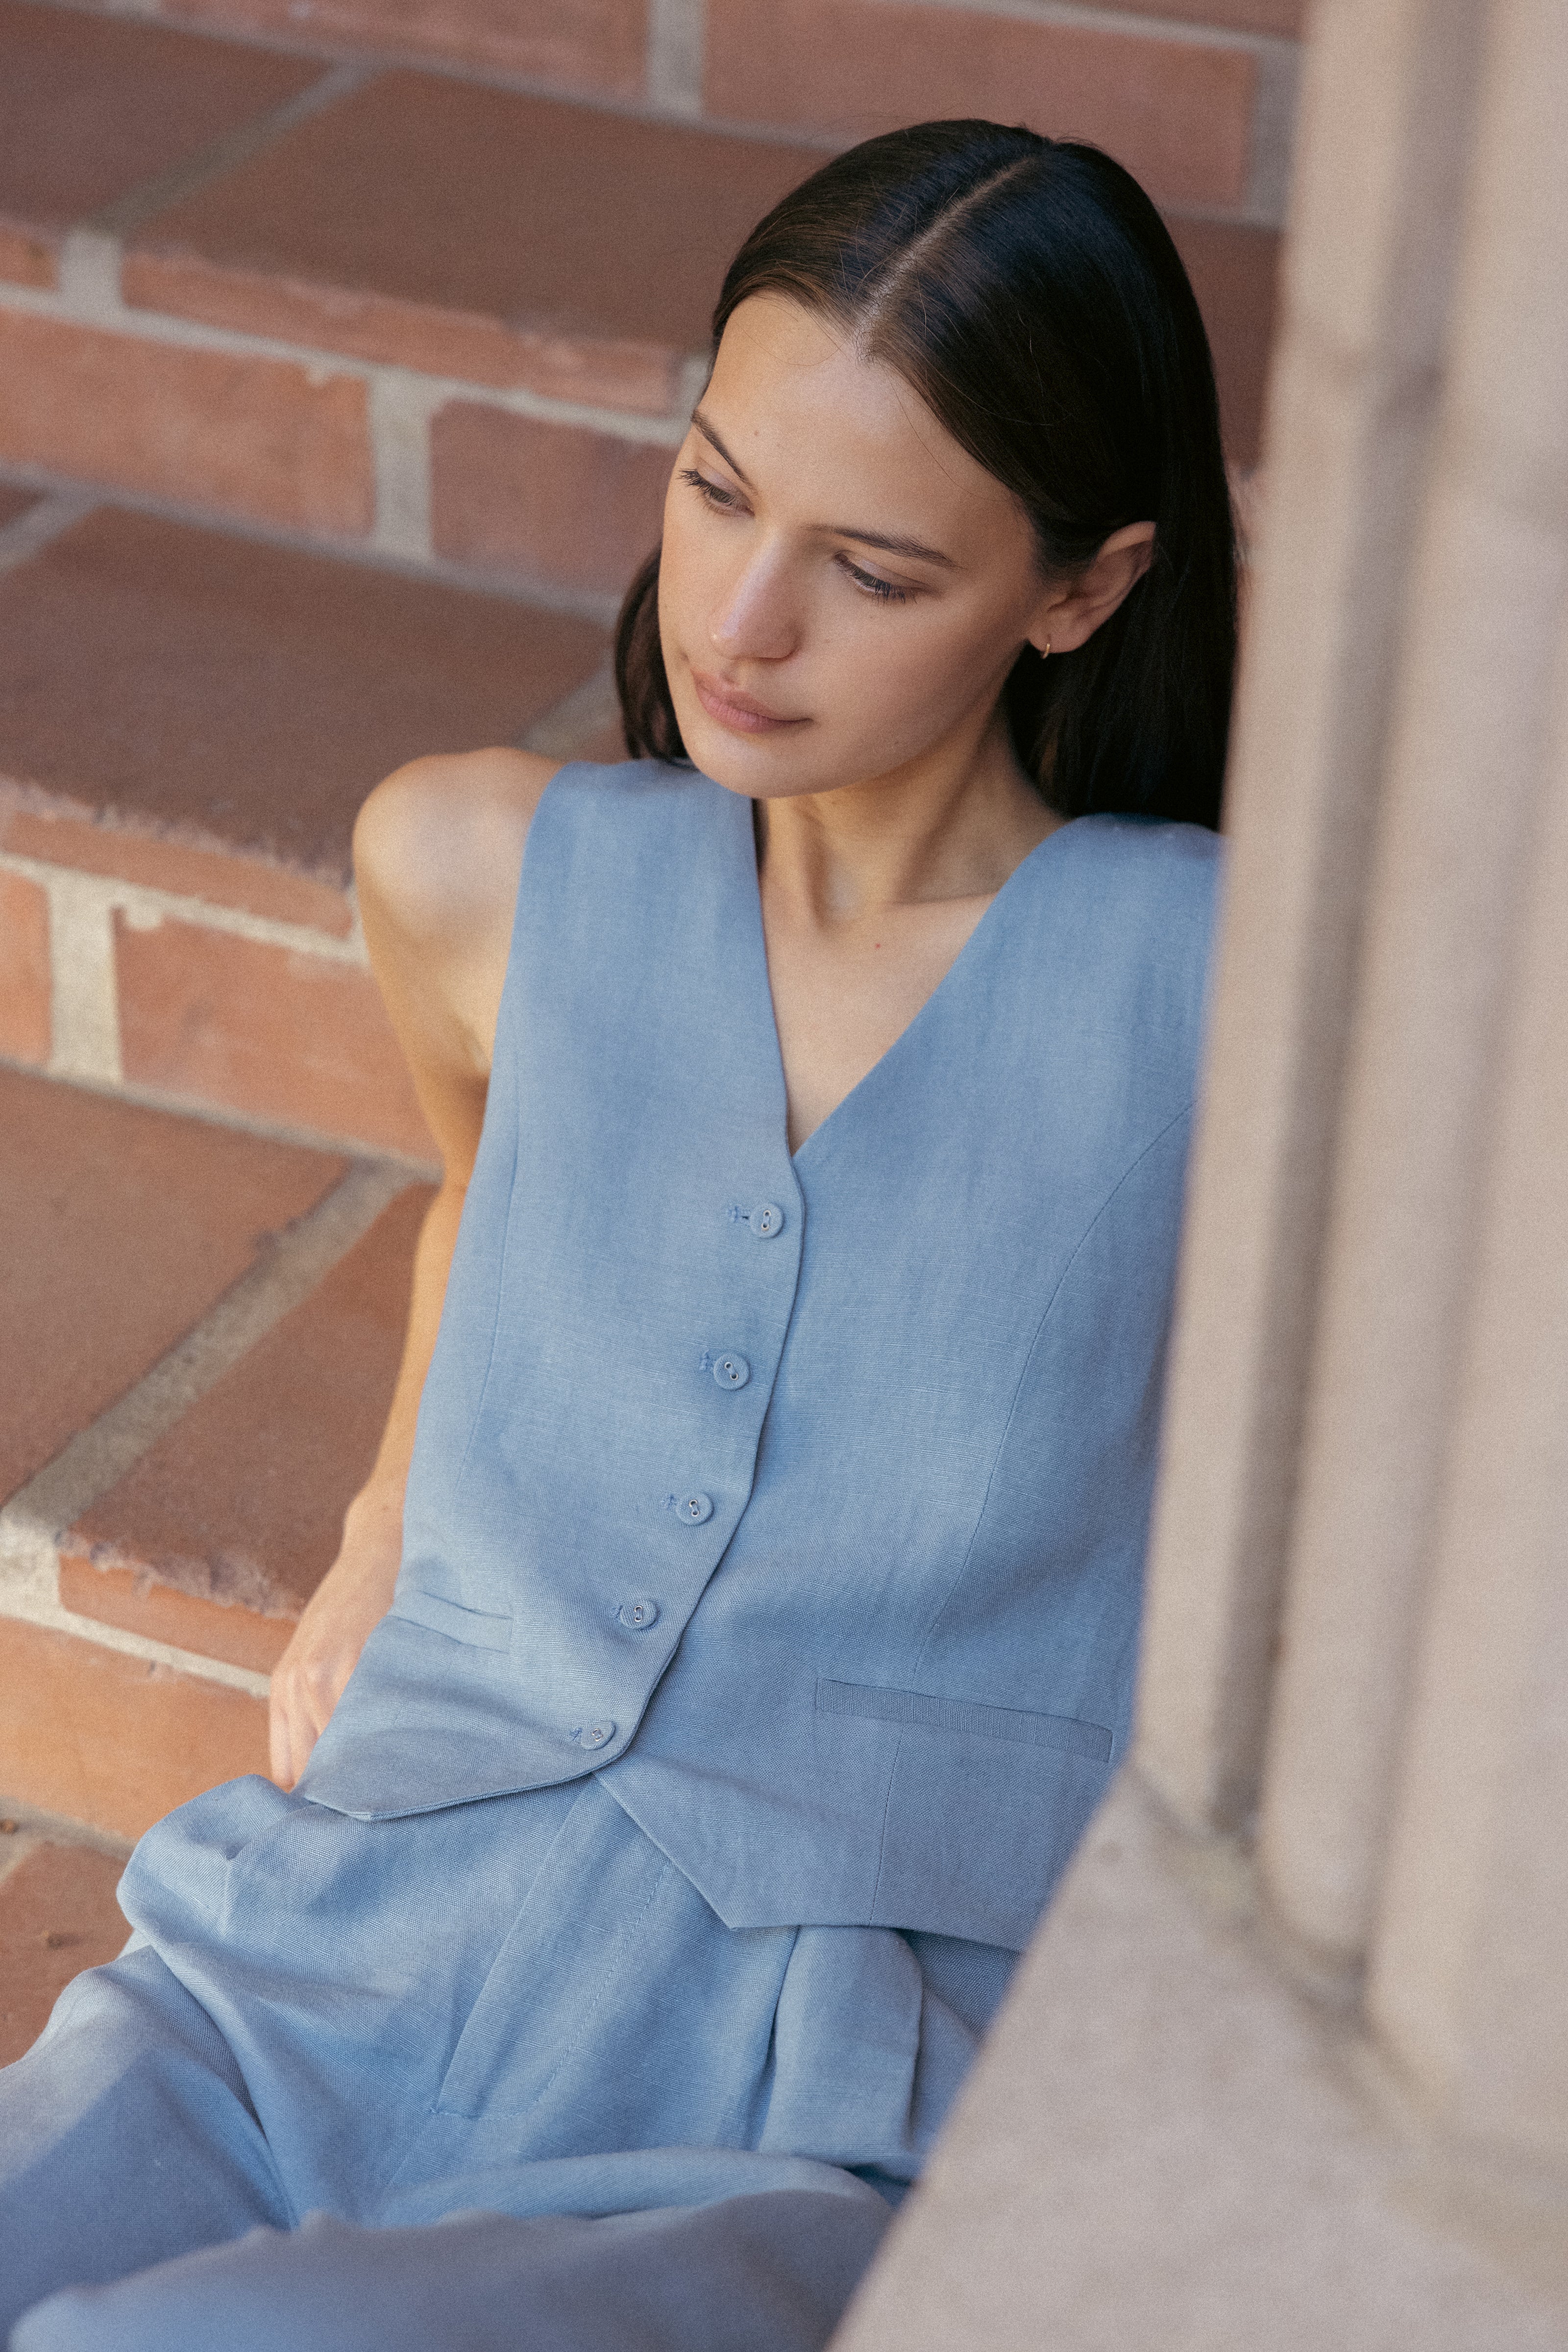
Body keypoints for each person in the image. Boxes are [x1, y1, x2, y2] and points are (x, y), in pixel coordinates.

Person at [0, 118, 1235, 2352]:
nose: (739, 625)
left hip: (805, 2087)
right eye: (713, 488)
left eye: (872, 570)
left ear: (1079, 587)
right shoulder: (483, 868)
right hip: (340, 1941)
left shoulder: (1216, 994)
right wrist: (385, 1519)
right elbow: (489, 1170)